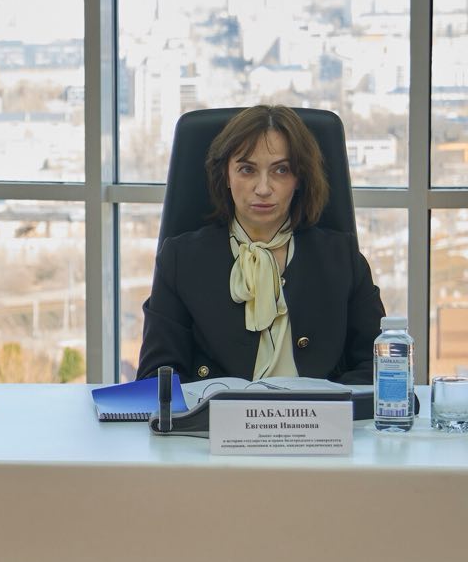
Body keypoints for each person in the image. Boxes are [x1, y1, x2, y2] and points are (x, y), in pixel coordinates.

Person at [137, 105, 384, 384]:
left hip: (319, 413)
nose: (263, 188)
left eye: (281, 170)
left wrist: (324, 402)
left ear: (299, 179)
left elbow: (382, 370)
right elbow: (155, 380)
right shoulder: (180, 260)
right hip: (214, 413)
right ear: (226, 175)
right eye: (247, 169)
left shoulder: (342, 259)